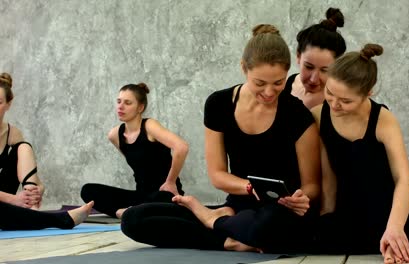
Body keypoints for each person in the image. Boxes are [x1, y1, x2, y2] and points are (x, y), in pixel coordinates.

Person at [121, 24, 321, 251]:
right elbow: (217, 175)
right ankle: (230, 238)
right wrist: (249, 188)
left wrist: (302, 198)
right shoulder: (219, 104)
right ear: (244, 68)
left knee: (272, 227)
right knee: (134, 218)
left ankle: (215, 221)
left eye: (278, 83)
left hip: (279, 209)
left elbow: (312, 185)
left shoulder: (298, 115)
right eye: (260, 83)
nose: (269, 92)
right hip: (237, 206)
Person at [309, 44, 409, 263]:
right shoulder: (318, 116)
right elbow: (328, 176)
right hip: (351, 208)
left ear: (368, 93)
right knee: (318, 237)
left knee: (369, 234)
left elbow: (403, 179)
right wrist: (326, 218)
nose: (335, 104)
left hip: (391, 206)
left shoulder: (383, 120)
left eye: (346, 101)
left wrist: (395, 226)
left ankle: (408, 239)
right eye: (330, 93)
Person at [0, 72, 94, 230]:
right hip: (7, 201)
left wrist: (36, 191)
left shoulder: (13, 134)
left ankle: (31, 208)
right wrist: (15, 200)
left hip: (7, 199)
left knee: (24, 147)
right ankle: (61, 220)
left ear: (9, 104)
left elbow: (34, 177)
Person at [81, 83, 189, 218]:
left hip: (164, 194)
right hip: (140, 196)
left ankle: (134, 211)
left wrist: (171, 182)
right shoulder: (114, 135)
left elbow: (182, 147)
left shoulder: (149, 126)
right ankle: (124, 212)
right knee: (88, 190)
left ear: (140, 107)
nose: (120, 106)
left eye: (127, 103)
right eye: (119, 101)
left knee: (165, 199)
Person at [284, 7, 346, 109]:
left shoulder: (336, 105)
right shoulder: (289, 82)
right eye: (309, 67)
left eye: (324, 70)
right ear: (299, 56)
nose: (314, 79)